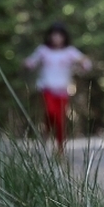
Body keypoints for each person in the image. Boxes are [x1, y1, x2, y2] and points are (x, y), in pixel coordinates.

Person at [24, 22, 92, 154]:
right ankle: (46, 132)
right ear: (49, 36)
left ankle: (60, 148)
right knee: (50, 113)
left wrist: (83, 64)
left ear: (64, 37)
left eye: (59, 36)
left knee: (60, 119)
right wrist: (27, 64)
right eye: (54, 35)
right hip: (47, 89)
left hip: (62, 91)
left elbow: (86, 64)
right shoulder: (43, 51)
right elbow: (32, 62)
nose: (56, 38)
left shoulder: (70, 52)